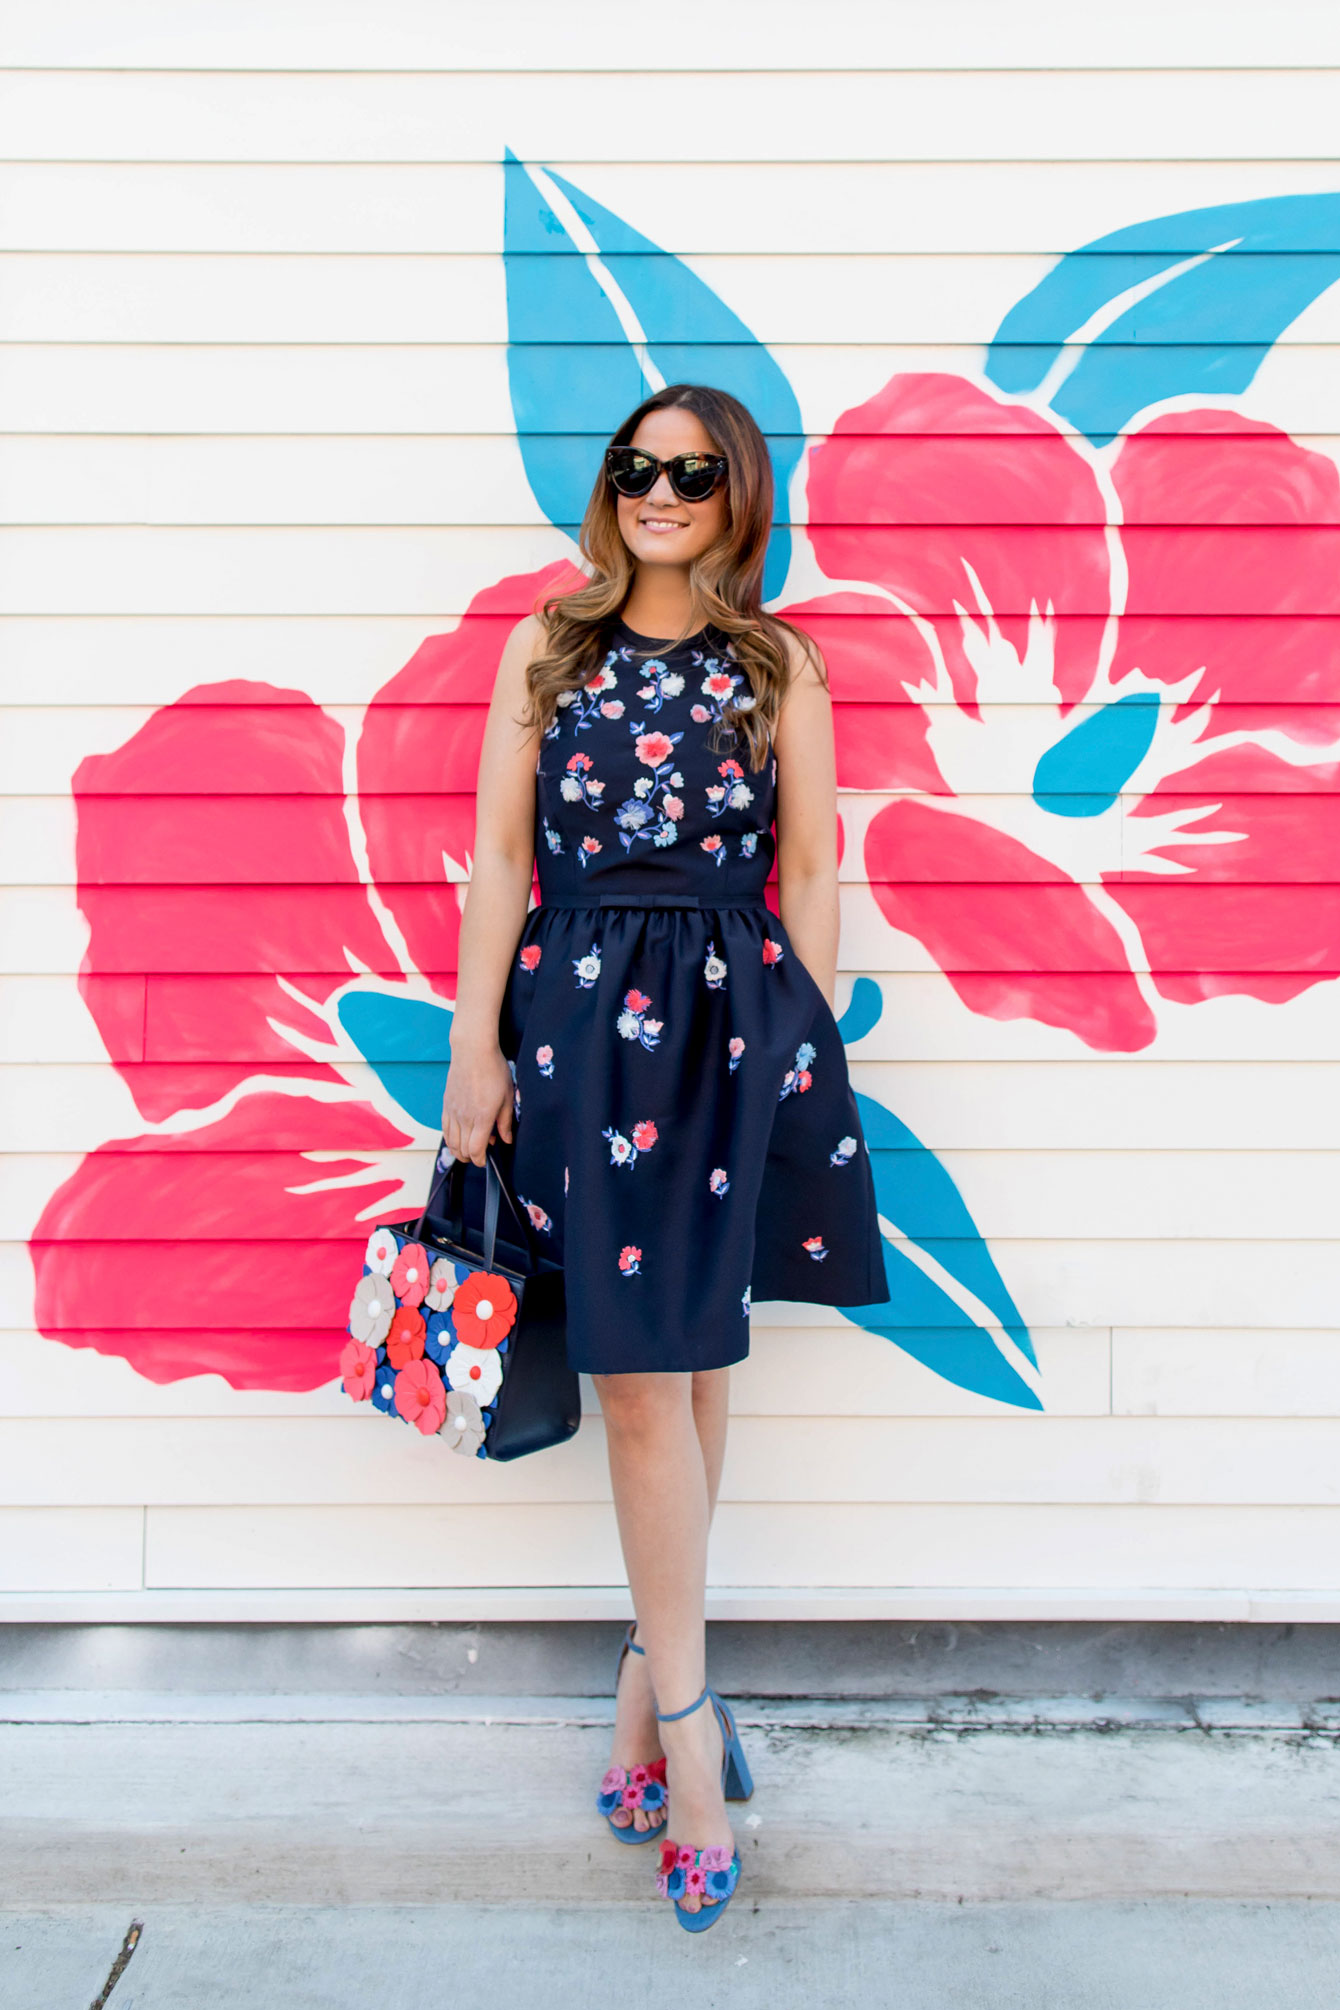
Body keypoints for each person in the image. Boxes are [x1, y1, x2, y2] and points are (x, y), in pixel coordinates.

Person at [441, 383, 886, 1930]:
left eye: (692, 472)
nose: (659, 490)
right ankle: (694, 1739)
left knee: (695, 1366)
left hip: (725, 1029)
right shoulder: (547, 647)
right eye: (636, 465)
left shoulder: (780, 664)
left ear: (737, 496)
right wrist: (472, 1049)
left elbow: (814, 868)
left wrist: (793, 1052)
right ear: (611, 483)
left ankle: (652, 1686)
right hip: (572, 1028)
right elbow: (504, 855)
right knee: (638, 1378)